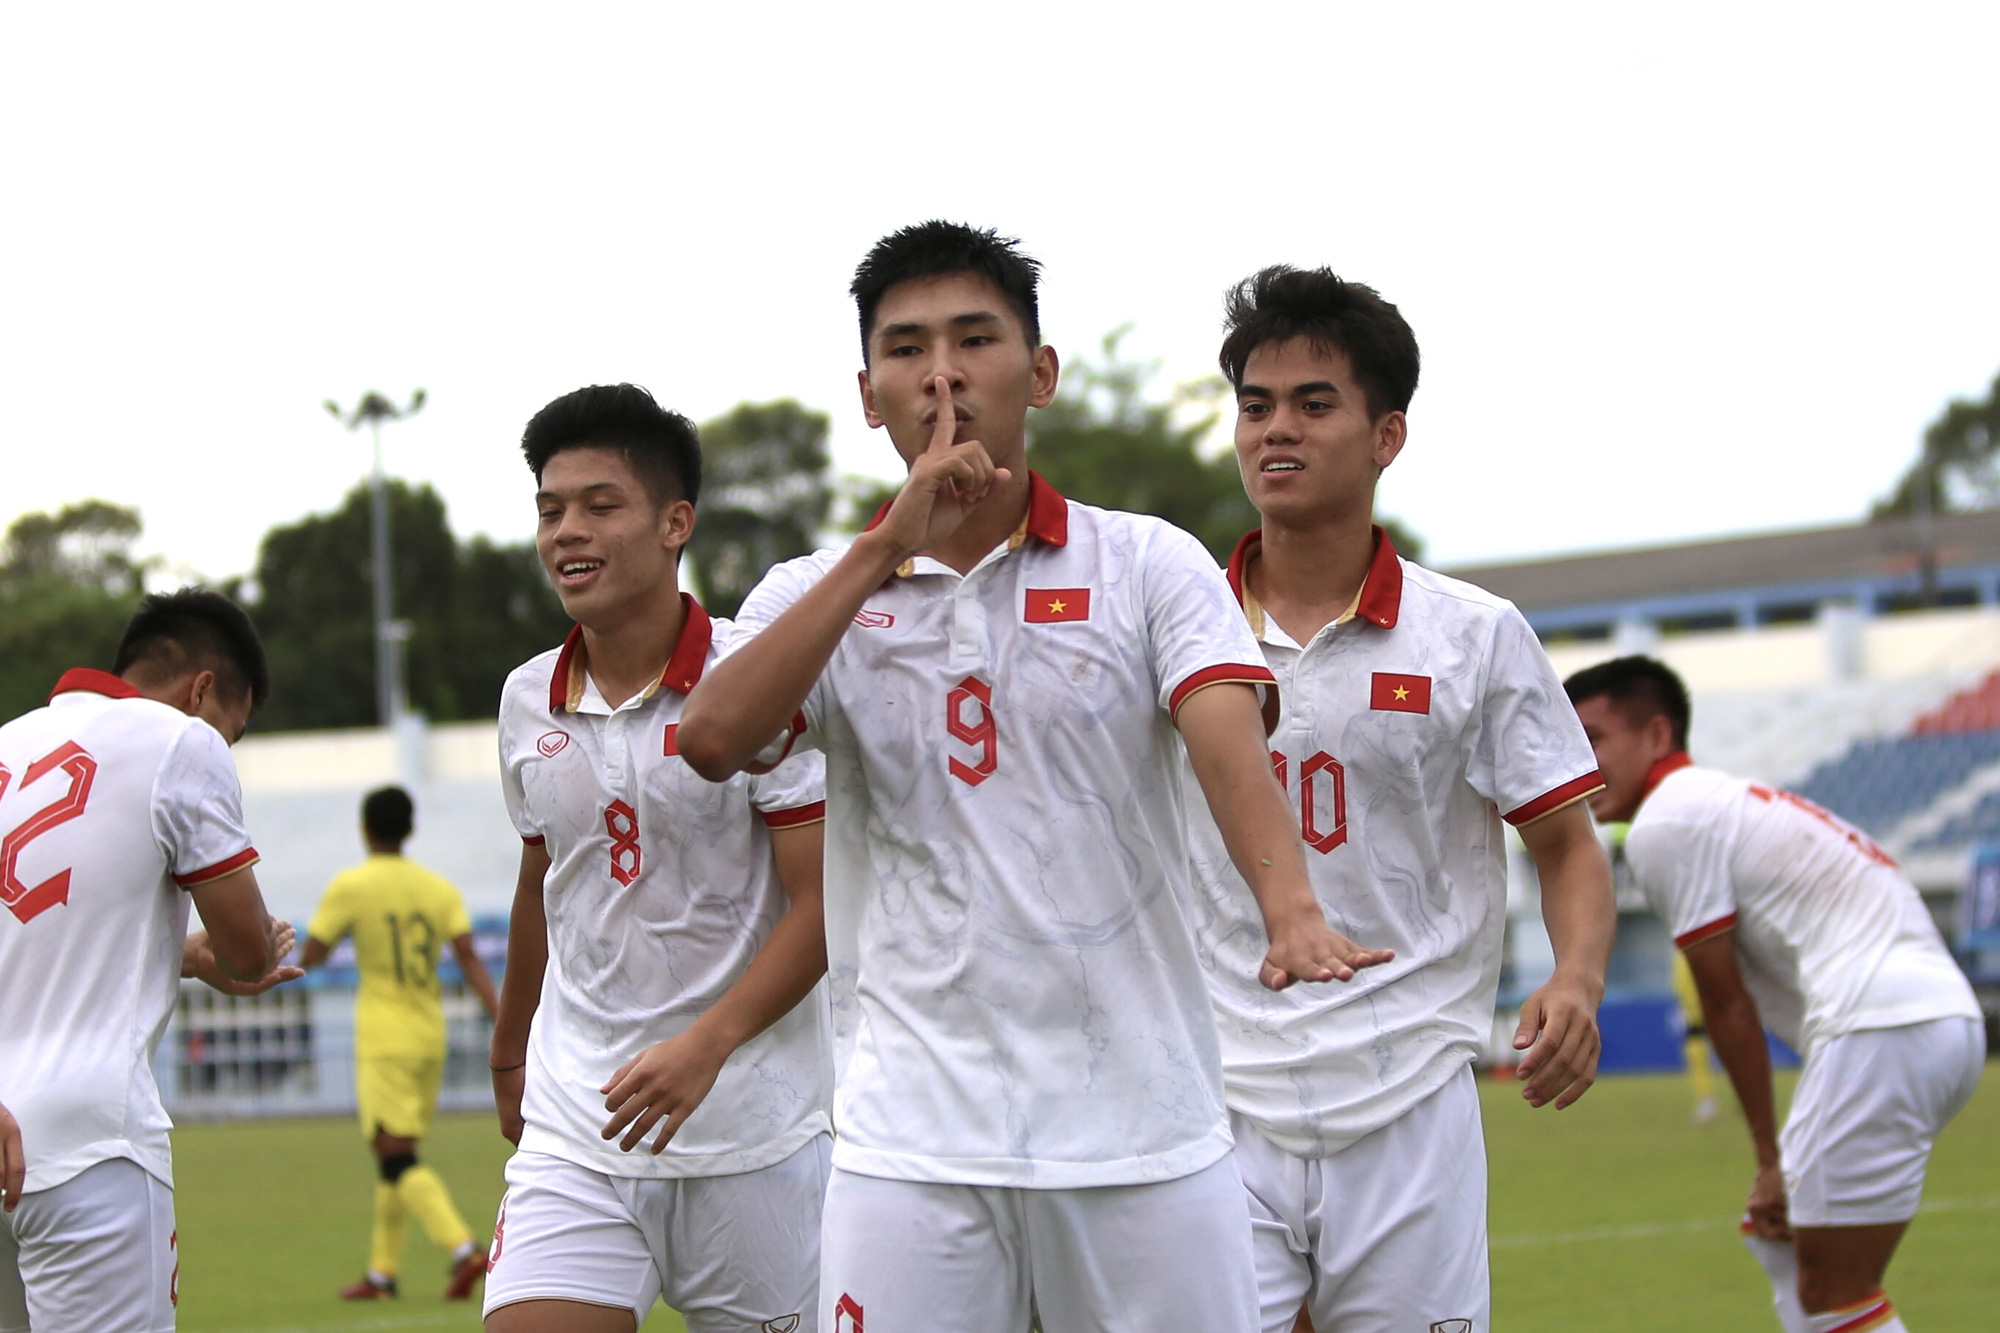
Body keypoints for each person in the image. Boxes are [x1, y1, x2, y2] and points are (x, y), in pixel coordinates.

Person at [676, 222, 1391, 1333]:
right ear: (868, 393)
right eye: (906, 350)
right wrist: (884, 545)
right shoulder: (807, 593)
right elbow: (712, 737)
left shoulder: (1145, 560)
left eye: (974, 339)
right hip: (907, 1144)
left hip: (1141, 1135)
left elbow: (1221, 735)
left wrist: (1289, 908)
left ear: (1040, 372)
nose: (942, 374)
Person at [1182, 265, 1616, 1333]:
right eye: (1254, 405)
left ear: (1386, 435)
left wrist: (1577, 978)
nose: (1275, 430)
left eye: (1313, 404)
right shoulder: (1174, 621)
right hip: (1213, 1092)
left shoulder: (1472, 632)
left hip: (1410, 1091)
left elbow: (1564, 844)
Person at [484, 384, 832, 1333]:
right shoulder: (524, 698)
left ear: (676, 523)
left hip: (756, 1135)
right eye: (551, 510)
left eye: (601, 505)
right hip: (577, 1129)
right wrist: (511, 1049)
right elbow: (542, 881)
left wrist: (707, 1045)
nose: (567, 532)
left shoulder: (758, 677)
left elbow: (825, 903)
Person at [1566, 655, 1983, 1333]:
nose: (1576, 760)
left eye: (1592, 737)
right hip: (1938, 1023)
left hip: (1880, 1027)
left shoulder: (1669, 820)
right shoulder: (1725, 799)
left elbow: (1726, 1003)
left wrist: (1770, 1156)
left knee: (1834, 1289)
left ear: (1658, 733)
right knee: (1783, 1243)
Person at [0, 588, 300, 1333]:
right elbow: (246, 946)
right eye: (232, 730)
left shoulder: (8, 744)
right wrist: (244, 953)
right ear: (202, 690)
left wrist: (178, 957)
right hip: (89, 1139)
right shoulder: (180, 741)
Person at [302, 785, 500, 1301]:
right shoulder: (437, 889)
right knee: (397, 1154)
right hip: (429, 1034)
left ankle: (464, 1248)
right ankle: (382, 1274)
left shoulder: (352, 885)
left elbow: (315, 953)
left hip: (384, 1037)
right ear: (410, 830)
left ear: (365, 829)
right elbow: (469, 958)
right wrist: (503, 1019)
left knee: (394, 1155)